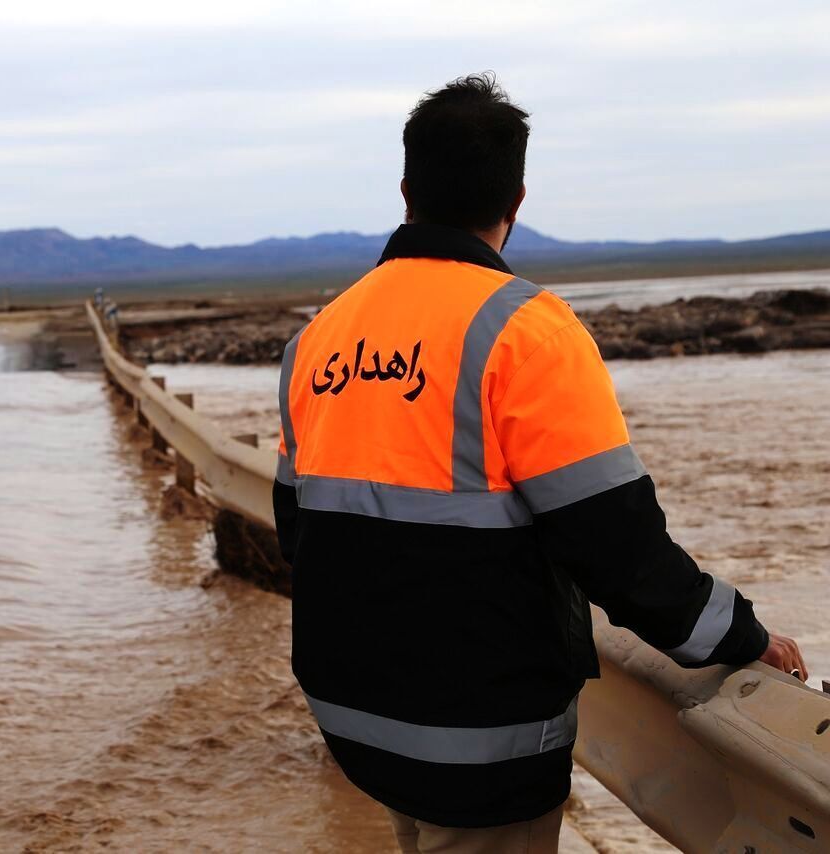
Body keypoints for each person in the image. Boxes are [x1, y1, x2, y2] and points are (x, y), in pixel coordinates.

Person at [272, 73, 806, 853]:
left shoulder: (317, 338)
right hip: (481, 744)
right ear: (516, 201)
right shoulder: (528, 331)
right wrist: (741, 635)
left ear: (405, 190)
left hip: (358, 722)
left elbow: (300, 532)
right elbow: (615, 546)